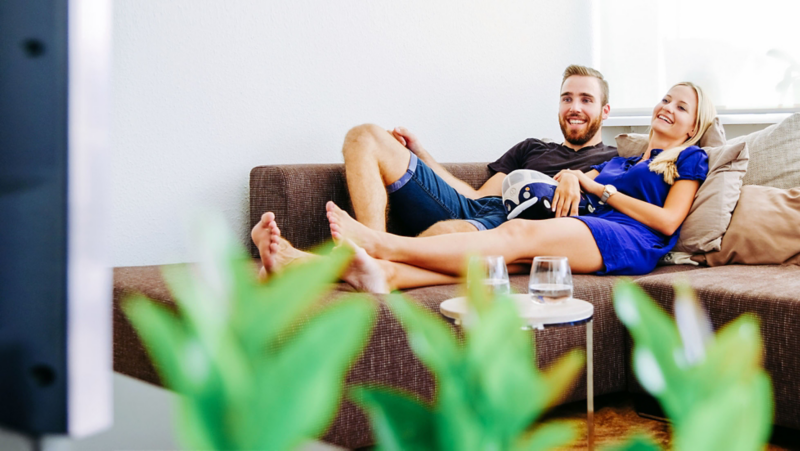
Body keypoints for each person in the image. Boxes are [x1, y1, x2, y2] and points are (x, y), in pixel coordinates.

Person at [254, 82, 716, 293]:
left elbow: (670, 222)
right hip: (574, 222)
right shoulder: (623, 159)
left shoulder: (688, 158)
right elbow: (482, 193)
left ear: (695, 124)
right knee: (507, 259)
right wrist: (576, 177)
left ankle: (377, 246)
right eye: (664, 99)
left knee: (513, 240)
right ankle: (371, 272)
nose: (667, 107)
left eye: (681, 106)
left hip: (626, 236)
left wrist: (600, 190)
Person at [340, 65, 618, 238]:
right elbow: (476, 197)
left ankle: (373, 254)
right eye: (567, 98)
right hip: (482, 209)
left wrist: (571, 176)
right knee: (363, 136)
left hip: (516, 225)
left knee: (446, 234)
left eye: (586, 100)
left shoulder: (614, 160)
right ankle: (370, 243)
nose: (575, 108)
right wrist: (421, 154)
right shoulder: (531, 147)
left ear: (605, 111)